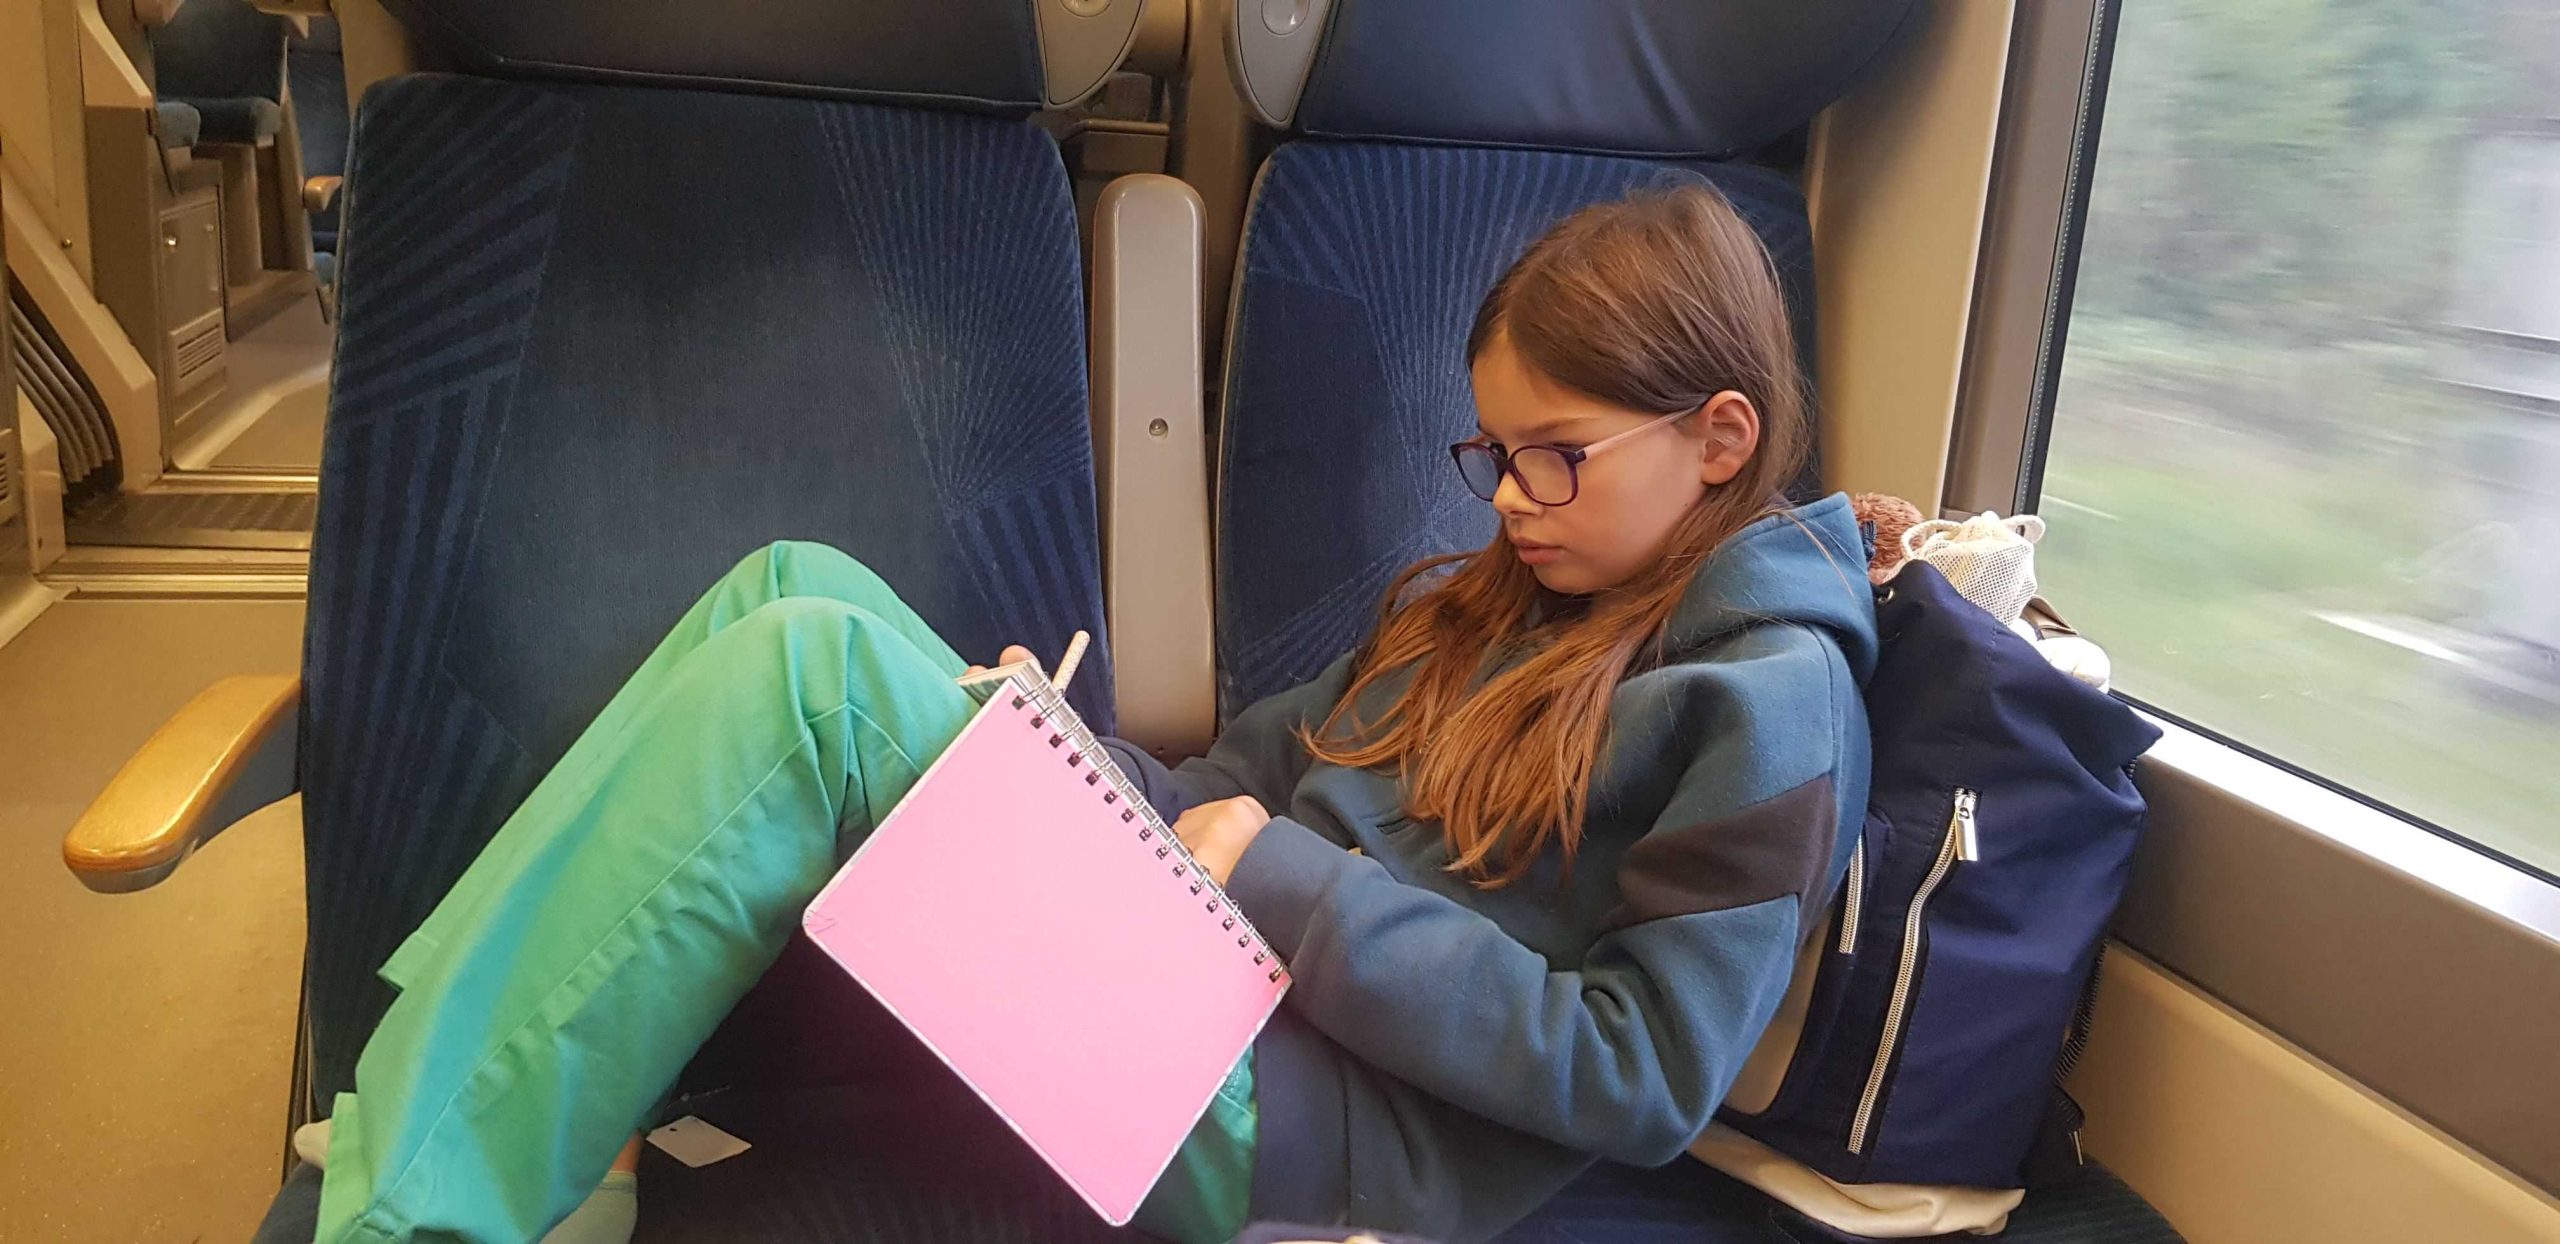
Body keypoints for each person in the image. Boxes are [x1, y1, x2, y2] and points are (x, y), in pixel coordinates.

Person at [308, 182, 1877, 1244]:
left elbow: (1644, 1072)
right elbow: (1238, 773)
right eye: (1495, 454)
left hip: (1304, 1109)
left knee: (813, 681)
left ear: (1720, 436)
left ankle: (408, 1210)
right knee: (802, 585)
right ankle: (449, 1099)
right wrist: (1055, 751)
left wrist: (1288, 883)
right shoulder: (1496, 603)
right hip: (1210, 965)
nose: (1511, 498)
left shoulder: (1770, 702)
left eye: (1557, 456)